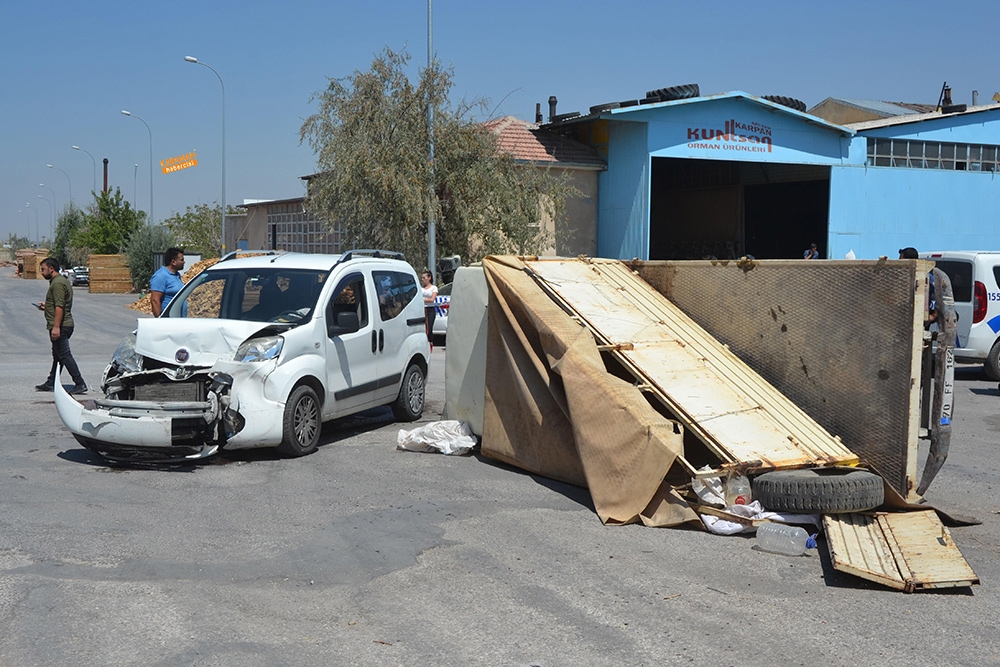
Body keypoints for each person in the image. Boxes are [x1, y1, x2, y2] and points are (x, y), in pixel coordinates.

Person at [36, 258, 87, 394]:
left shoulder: (57, 283)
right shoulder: (59, 281)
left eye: (43, 269)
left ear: (51, 269)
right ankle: (51, 381)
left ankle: (80, 383)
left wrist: (56, 327)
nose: (41, 272)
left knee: (64, 355)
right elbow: (57, 304)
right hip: (62, 324)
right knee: (58, 355)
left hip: (62, 325)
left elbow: (60, 306)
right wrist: (46, 307)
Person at [150, 248, 185, 317]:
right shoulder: (160, 276)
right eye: (182, 260)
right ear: (173, 262)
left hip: (179, 321)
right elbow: (155, 300)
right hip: (169, 321)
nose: (184, 262)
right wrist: (161, 321)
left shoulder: (177, 275)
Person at [420, 270, 438, 344]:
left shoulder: (434, 288)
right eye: (422, 278)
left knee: (429, 328)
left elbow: (432, 299)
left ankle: (430, 342)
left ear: (429, 278)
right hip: (422, 309)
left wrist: (422, 300)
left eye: (424, 278)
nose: (422, 279)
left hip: (430, 309)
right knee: (423, 328)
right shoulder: (420, 288)